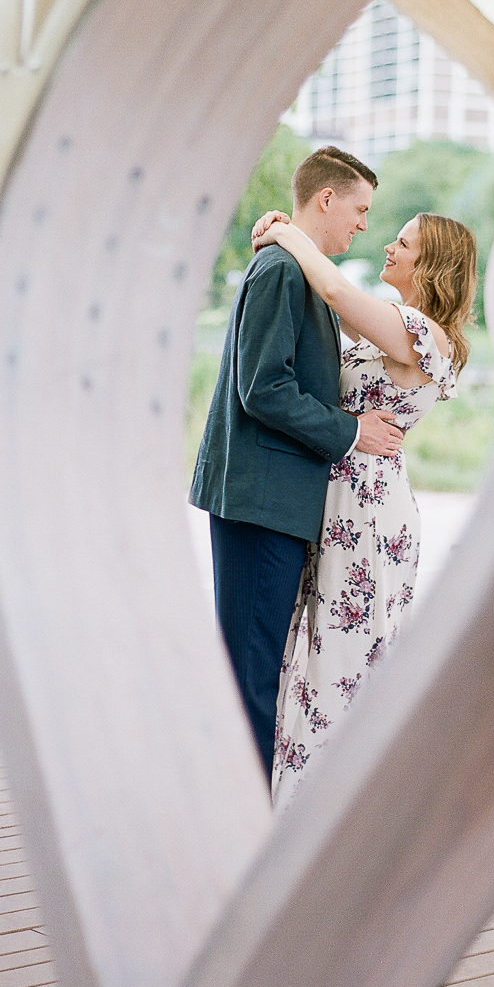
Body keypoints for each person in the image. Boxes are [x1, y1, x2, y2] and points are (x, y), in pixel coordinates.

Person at [249, 207, 477, 808]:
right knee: (317, 655)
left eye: (403, 244)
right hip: (343, 498)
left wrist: (284, 230)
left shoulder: (419, 333)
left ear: (430, 266)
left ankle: (318, 816)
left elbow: (332, 287)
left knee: (340, 661)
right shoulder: (395, 327)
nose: (388, 249)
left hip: (367, 515)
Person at [190, 147, 405, 774]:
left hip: (278, 502)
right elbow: (264, 386)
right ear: (327, 199)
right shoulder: (282, 272)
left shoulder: (298, 271)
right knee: (252, 676)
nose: (364, 225)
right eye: (360, 209)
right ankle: (246, 829)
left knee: (260, 669)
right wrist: (351, 431)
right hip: (260, 501)